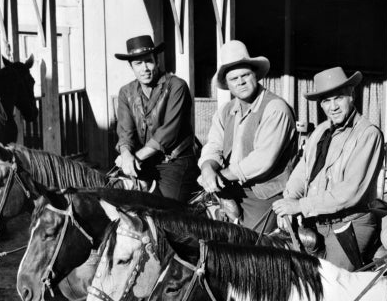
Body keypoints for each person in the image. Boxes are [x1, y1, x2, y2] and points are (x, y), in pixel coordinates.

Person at [272, 66, 384, 270]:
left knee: (330, 285)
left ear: (352, 95)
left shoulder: (368, 134)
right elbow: (301, 172)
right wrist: (289, 200)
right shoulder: (320, 132)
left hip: (349, 224)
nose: (332, 107)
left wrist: (300, 206)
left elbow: (350, 192)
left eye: (338, 97)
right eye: (326, 100)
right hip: (316, 220)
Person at [197, 40, 298, 231]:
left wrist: (219, 176)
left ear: (256, 75)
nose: (241, 82)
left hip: (266, 193)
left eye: (245, 75)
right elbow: (213, 145)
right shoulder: (225, 111)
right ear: (227, 84)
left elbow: (262, 161)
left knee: (249, 248)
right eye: (234, 79)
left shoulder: (275, 108)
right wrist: (207, 168)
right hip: (231, 187)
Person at [114, 34, 198, 201]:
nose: (144, 68)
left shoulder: (176, 86)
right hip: (144, 161)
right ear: (131, 67)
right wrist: (125, 154)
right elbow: (125, 132)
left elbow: (168, 132)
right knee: (117, 199)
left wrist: (134, 158)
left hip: (175, 161)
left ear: (157, 61)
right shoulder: (126, 92)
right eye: (138, 63)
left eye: (149, 61)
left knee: (165, 210)